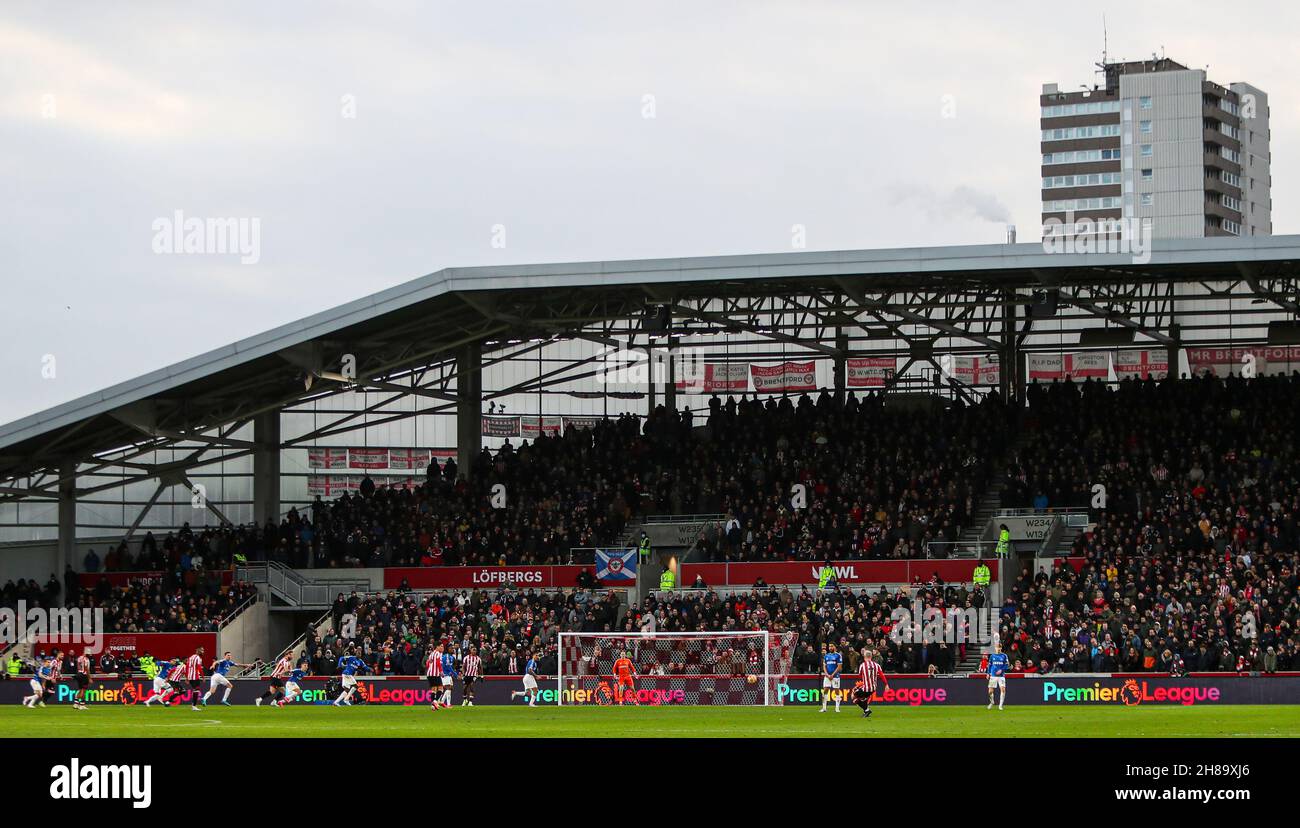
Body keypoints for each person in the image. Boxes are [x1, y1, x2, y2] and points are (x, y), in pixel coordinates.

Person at [853, 648, 887, 719]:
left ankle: (867, 710)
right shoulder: (876, 665)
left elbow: (860, 676)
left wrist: (860, 684)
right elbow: (882, 675)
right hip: (873, 688)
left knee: (854, 695)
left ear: (864, 656)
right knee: (859, 699)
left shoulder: (862, 665)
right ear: (871, 657)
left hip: (866, 688)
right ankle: (866, 710)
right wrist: (886, 684)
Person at [986, 640, 1010, 711]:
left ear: (1001, 648)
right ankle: (992, 702)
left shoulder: (1004, 656)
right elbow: (989, 665)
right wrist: (988, 673)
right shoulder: (992, 656)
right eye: (997, 647)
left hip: (1001, 676)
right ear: (995, 648)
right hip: (993, 676)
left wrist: (1001, 670)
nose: (998, 648)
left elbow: (1007, 665)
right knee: (990, 691)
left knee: (1003, 689)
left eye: (999, 647)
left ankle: (1000, 705)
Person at [819, 643, 842, 713]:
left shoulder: (838, 655)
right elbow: (824, 666)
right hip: (827, 676)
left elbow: (839, 667)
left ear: (835, 647)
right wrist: (827, 675)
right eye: (829, 646)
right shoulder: (826, 656)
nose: (830, 647)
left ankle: (837, 708)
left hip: (835, 676)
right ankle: (824, 708)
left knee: (836, 691)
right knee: (825, 691)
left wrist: (832, 675)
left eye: (832, 646)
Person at [425, 642, 445, 710]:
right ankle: (435, 701)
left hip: (430, 674)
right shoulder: (438, 653)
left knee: (433, 690)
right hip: (435, 674)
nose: (442, 648)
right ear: (437, 647)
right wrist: (441, 671)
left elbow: (427, 664)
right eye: (441, 646)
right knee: (441, 689)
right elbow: (438, 663)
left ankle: (433, 706)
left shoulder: (432, 654)